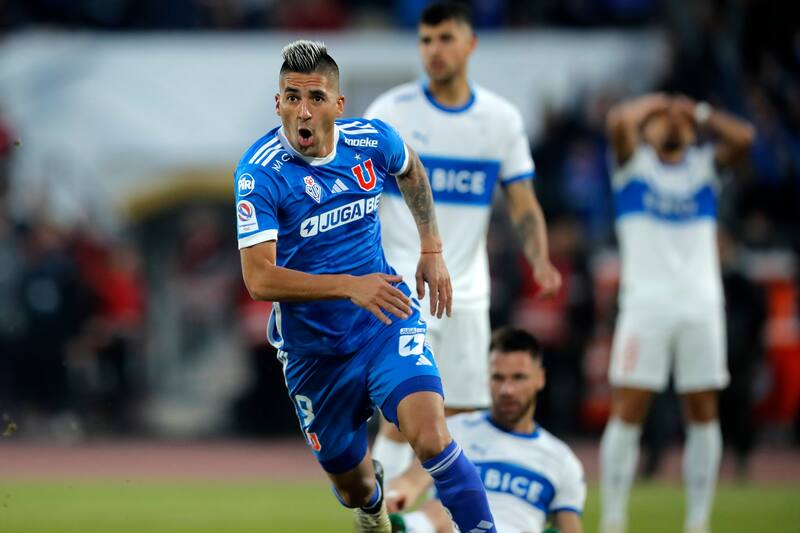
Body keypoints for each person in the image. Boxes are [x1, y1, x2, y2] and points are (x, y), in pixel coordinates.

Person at [234, 40, 497, 533]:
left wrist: (432, 249)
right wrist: (348, 285)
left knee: (432, 435)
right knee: (351, 486)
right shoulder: (260, 175)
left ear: (338, 105)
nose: (302, 111)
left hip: (383, 322)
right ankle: (372, 504)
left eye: (314, 98)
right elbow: (259, 278)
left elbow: (412, 169)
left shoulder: (372, 141)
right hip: (314, 354)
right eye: (291, 97)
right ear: (277, 104)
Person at [365, 1, 561, 482]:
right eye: (426, 40)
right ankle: (378, 513)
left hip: (467, 294)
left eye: (445, 38)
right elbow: (358, 194)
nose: (434, 50)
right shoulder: (390, 112)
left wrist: (540, 259)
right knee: (403, 411)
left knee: (466, 417)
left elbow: (522, 202)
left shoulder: (500, 120)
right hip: (402, 287)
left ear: (470, 44)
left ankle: (423, 514)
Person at [600, 93, 755, 533]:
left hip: (700, 305)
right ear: (645, 130)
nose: (671, 124)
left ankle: (698, 522)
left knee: (703, 408)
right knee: (629, 407)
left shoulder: (704, 168)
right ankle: (613, 520)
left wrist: (698, 112)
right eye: (658, 121)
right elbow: (617, 121)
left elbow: (744, 137)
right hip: (645, 306)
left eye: (680, 123)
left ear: (692, 131)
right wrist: (659, 104)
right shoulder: (633, 167)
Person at [387, 326, 585, 533]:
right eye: (498, 378)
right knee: (440, 511)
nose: (507, 390)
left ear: (540, 378)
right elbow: (410, 481)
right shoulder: (453, 432)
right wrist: (393, 498)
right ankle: (406, 527)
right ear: (487, 378)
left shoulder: (562, 460)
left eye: (518, 378)